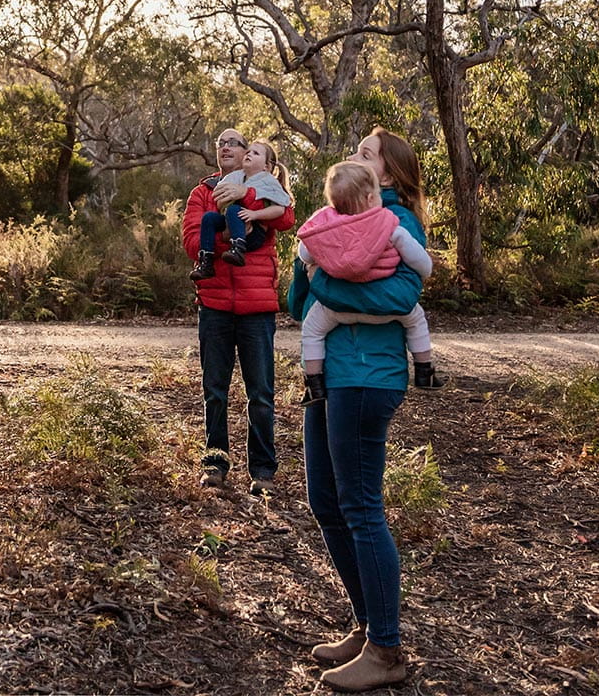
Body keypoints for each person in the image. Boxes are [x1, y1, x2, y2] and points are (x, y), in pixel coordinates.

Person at [284, 127, 425, 692]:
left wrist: (325, 285)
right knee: (325, 501)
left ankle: (386, 648)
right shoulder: (333, 220)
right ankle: (368, 625)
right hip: (331, 375)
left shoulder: (396, 224)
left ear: (386, 175)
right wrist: (307, 261)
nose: (353, 157)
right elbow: (296, 304)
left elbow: (401, 298)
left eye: (365, 154)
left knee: (361, 506)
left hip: (368, 376)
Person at [183, 129, 296, 497]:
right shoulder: (203, 192)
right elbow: (190, 242)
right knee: (214, 390)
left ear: (249, 153)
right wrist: (235, 234)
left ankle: (262, 470)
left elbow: (285, 217)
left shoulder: (263, 184)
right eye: (220, 143)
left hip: (257, 306)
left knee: (260, 393)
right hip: (214, 305)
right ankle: (215, 463)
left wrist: (245, 197)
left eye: (234, 143)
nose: (225, 147)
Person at [294, 161, 435, 404]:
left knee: (312, 329)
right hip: (387, 311)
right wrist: (425, 270)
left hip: (337, 310)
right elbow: (422, 263)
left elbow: (305, 253)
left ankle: (313, 384)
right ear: (371, 198)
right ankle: (425, 371)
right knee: (416, 319)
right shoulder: (389, 224)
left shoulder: (327, 223)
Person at [191, 140, 292, 280]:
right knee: (209, 218)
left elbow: (282, 211)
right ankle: (206, 261)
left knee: (234, 210)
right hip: (230, 224)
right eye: (221, 143)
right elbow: (219, 202)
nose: (249, 154)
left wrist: (254, 213)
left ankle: (238, 248)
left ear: (266, 166)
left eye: (255, 153)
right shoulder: (233, 178)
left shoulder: (269, 182)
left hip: (254, 234)